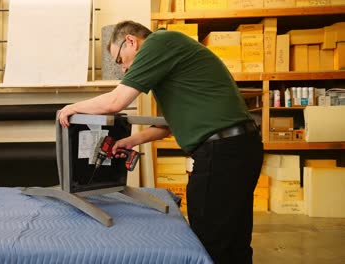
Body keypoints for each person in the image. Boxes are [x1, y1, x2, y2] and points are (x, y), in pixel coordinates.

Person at [57, 20, 263, 264]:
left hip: (222, 154)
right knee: (234, 239)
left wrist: (72, 108)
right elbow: (168, 125)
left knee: (211, 242)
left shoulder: (158, 43)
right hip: (240, 147)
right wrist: (132, 140)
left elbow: (115, 102)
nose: (123, 70)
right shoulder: (170, 55)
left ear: (131, 41)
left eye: (119, 61)